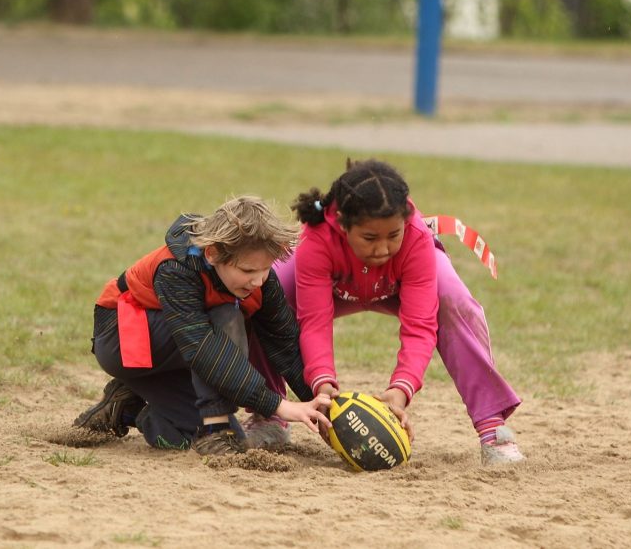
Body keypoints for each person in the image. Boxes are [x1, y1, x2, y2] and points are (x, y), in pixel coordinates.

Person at [253, 158, 525, 465]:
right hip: (335, 287)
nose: (382, 249)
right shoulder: (317, 239)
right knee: (261, 290)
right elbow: (314, 322)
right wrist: (323, 384)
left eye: (393, 236)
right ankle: (269, 415)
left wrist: (401, 389)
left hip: (397, 287)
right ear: (343, 224)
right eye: (370, 238)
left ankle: (492, 426)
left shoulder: (416, 235)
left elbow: (420, 325)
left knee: (452, 299)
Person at [73, 196, 331, 455]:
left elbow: (286, 345)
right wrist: (278, 405)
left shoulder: (261, 280)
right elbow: (202, 347)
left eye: (265, 269)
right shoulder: (177, 268)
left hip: (177, 346)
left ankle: (128, 407)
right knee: (225, 316)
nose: (257, 280)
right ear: (213, 253)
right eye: (247, 271)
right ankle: (216, 428)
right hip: (120, 338)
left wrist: (332, 408)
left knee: (191, 434)